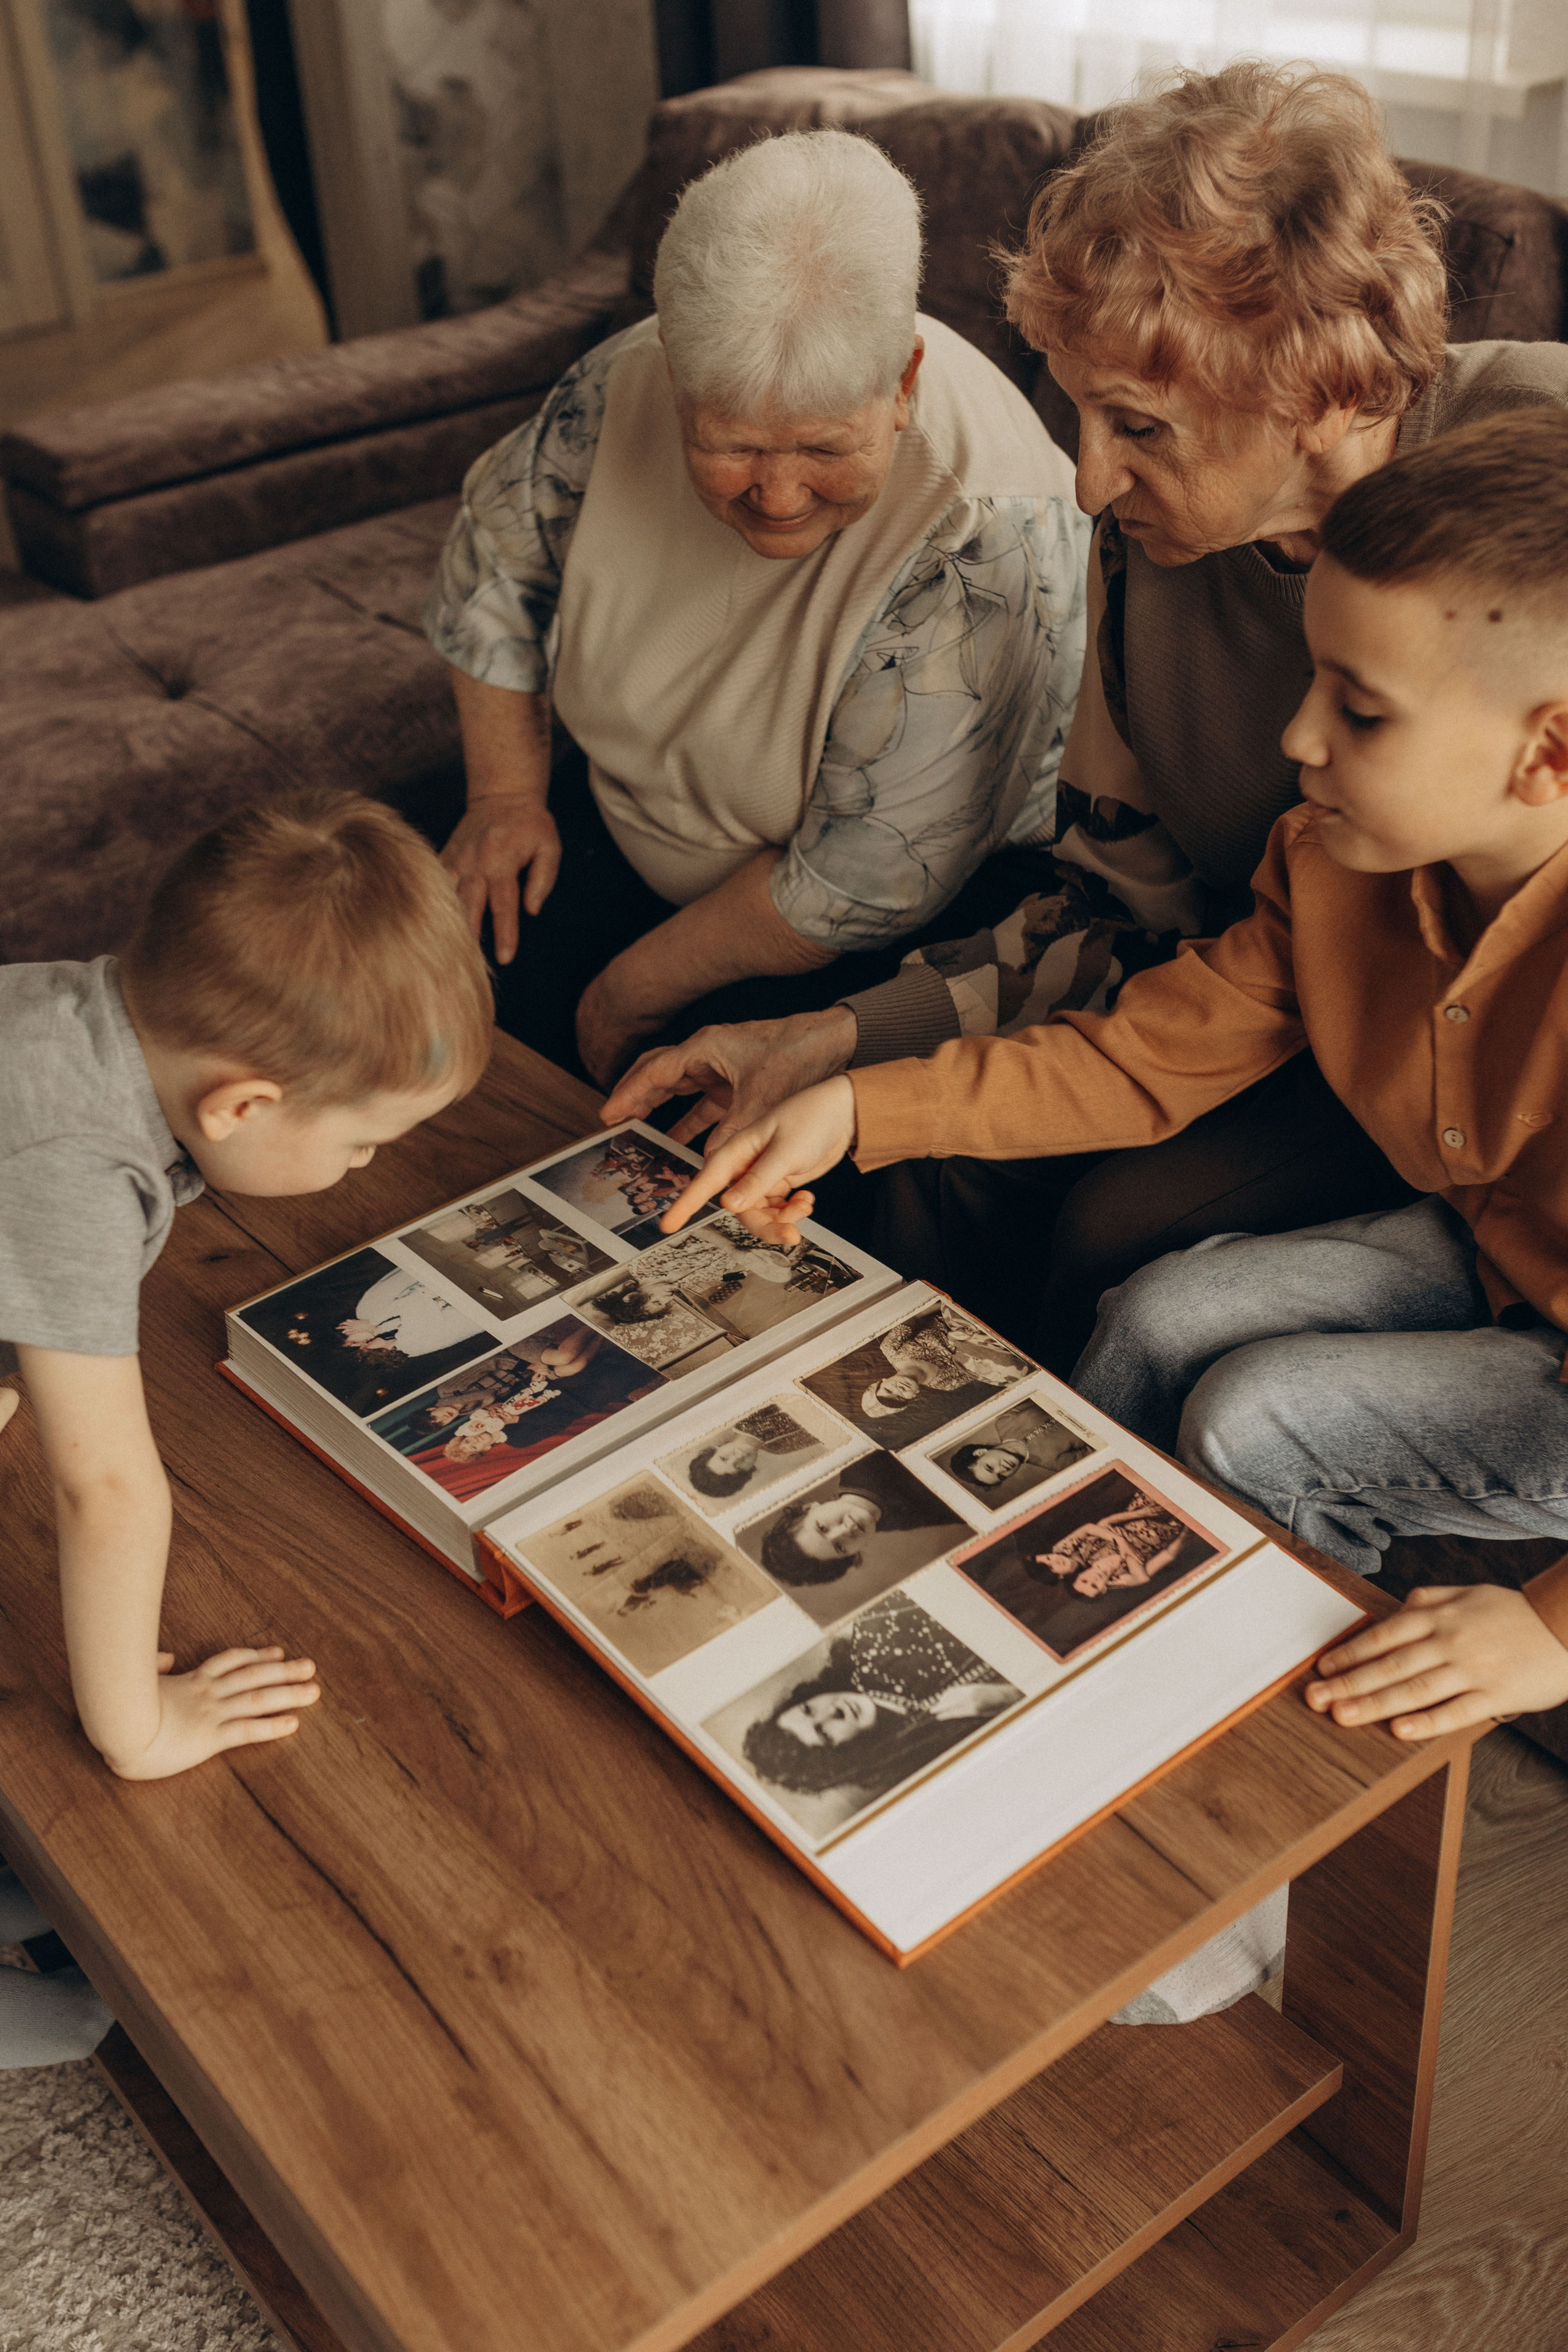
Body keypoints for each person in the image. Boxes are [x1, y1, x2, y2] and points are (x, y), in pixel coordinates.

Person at [605, 61, 1568, 1368]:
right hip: (1283, 987)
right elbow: (1113, 912)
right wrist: (833, 1046)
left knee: (1123, 1232)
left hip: (1508, 1041)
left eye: (1139, 426)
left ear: (1326, 395)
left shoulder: (1535, 463)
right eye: (1074, 408)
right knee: (931, 1168)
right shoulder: (1145, 555)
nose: (1084, 477)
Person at [662, 407, 1568, 1751]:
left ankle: (1233, 1785)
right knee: (1155, 1318)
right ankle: (1016, 1644)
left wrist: (1545, 1629)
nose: (1298, 739)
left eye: (1359, 709)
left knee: (1259, 1422)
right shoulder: (1326, 865)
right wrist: (858, 1109)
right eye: (1312, 680)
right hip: (1503, 1266)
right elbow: (1141, 1055)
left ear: (1545, 752)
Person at [426, 127, 1086, 1082]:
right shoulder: (626, 381)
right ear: (676, 378)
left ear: (902, 381)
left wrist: (620, 997)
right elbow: (494, 565)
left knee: (693, 1135)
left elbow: (857, 885)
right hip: (630, 824)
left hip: (874, 919)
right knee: (421, 1015)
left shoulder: (984, 537)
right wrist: (504, 796)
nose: (776, 496)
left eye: (823, 450)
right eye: (731, 445)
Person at [0, 788, 492, 2065]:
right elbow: (106, 1489)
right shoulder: (71, 1168)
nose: (366, 1169)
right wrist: (141, 1729)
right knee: (68, 2027)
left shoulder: (74, 1015)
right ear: (240, 1106)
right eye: (362, 1144)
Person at [741, 1593, 1020, 1803]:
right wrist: (1009, 1697)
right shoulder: (931, 1753)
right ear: (843, 1756)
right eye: (824, 1734)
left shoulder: (865, 1640)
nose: (832, 1712)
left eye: (808, 1710)